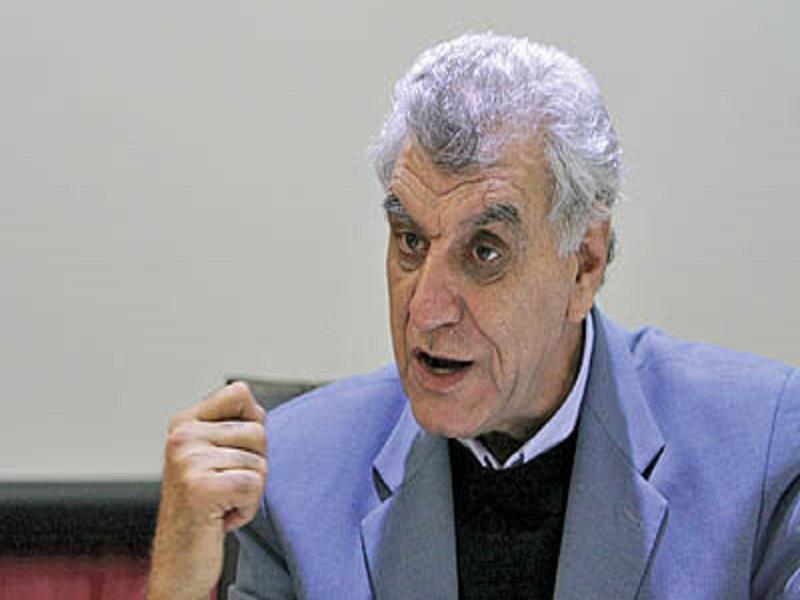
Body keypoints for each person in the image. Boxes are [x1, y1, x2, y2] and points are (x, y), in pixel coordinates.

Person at [147, 33, 800, 599]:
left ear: (585, 265)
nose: (425, 311)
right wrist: (177, 587)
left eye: (485, 252)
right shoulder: (295, 476)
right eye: (410, 241)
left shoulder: (762, 451)